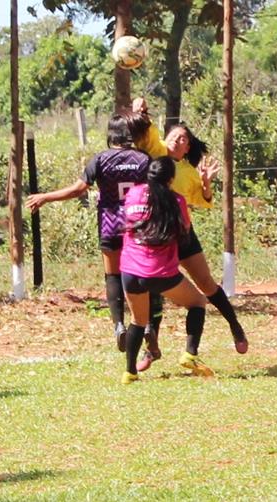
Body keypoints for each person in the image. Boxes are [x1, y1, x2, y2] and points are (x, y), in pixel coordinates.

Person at [131, 98, 247, 372]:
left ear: (187, 148)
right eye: (174, 135)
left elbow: (204, 201)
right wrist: (140, 111)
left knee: (206, 284)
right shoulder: (154, 151)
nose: (177, 139)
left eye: (183, 139)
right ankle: (152, 349)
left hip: (181, 233)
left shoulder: (188, 172)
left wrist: (206, 185)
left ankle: (235, 326)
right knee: (151, 288)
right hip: (154, 234)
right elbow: (143, 130)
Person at [25, 113, 150, 350]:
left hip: (111, 226)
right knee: (143, 274)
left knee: (112, 275)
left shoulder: (100, 160)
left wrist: (45, 197)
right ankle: (146, 327)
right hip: (138, 225)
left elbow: (77, 190)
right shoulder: (143, 159)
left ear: (110, 136)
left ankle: (119, 326)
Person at [119, 157, 209, 384]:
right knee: (198, 302)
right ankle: (190, 354)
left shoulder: (133, 194)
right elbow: (185, 230)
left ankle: (129, 373)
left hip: (129, 271)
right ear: (171, 178)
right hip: (160, 272)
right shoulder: (175, 200)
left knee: (138, 320)